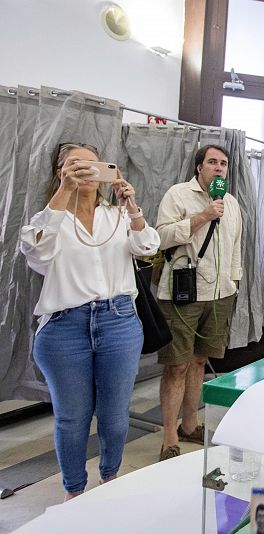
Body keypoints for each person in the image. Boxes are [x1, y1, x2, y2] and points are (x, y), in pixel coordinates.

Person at [19, 142, 160, 500]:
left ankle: (109, 480)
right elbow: (36, 252)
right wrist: (65, 192)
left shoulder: (116, 216)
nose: (84, 171)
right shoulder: (48, 219)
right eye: (73, 165)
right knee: (71, 418)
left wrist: (132, 207)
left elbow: (147, 247)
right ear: (59, 172)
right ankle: (74, 492)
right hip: (65, 327)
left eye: (91, 165)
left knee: (114, 417)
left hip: (118, 321)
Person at [155, 145, 243, 461]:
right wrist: (204, 215)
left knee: (198, 361)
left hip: (220, 295)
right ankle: (168, 437)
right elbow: (161, 237)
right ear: (199, 167)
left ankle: (190, 425)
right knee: (177, 364)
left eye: (223, 163)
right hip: (183, 292)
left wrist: (233, 282)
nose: (219, 168)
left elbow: (235, 247)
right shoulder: (178, 195)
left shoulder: (231, 203)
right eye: (212, 162)